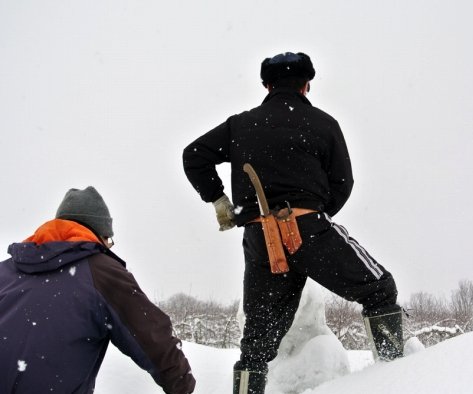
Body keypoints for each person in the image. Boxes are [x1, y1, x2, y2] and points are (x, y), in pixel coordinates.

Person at [183, 52, 403, 394]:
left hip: (260, 240)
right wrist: (313, 215)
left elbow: (193, 156)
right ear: (306, 86)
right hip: (309, 230)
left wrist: (219, 200)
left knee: (255, 345)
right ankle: (400, 380)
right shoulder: (324, 124)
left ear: (267, 85)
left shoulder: (241, 125)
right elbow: (343, 183)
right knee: (380, 290)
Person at [0, 186, 196, 394]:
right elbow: (154, 338)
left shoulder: (5, 271)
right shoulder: (100, 271)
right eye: (109, 241)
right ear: (99, 234)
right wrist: (182, 383)